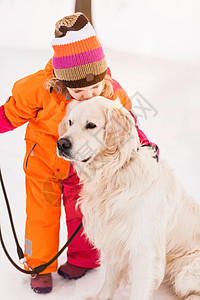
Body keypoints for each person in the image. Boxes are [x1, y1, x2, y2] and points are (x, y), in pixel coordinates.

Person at [0, 12, 157, 294]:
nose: (89, 95)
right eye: (79, 90)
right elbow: (11, 113)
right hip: (43, 167)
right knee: (41, 217)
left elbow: (127, 121)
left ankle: (83, 259)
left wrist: (144, 144)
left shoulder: (110, 92)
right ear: (62, 80)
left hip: (83, 169)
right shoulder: (37, 88)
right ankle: (41, 265)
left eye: (95, 87)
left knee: (83, 214)